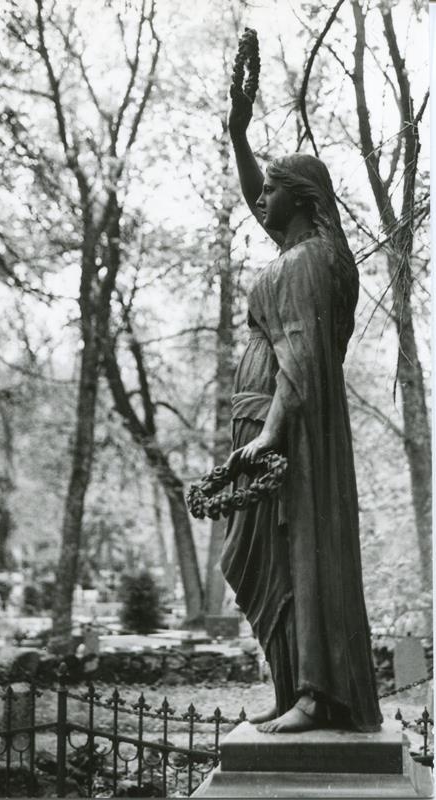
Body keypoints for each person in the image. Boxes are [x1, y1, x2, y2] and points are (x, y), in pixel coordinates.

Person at [220, 80, 383, 733]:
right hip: (269, 421)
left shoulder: (314, 261)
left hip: (294, 431)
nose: (260, 198)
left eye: (273, 187)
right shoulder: (297, 253)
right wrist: (238, 131)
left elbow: (303, 353)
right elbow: (259, 198)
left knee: (303, 549)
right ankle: (292, 689)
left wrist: (273, 432)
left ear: (304, 198)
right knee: (268, 559)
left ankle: (319, 694)